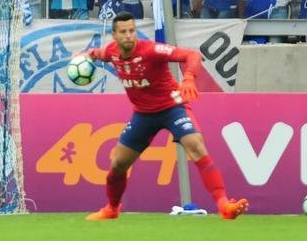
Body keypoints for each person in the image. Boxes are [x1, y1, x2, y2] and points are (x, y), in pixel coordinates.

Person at [84, 12, 248, 221]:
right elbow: (98, 54)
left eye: (132, 30)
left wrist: (188, 78)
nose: (128, 35)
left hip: (172, 108)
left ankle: (224, 205)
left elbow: (192, 55)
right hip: (143, 114)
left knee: (196, 145)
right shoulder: (111, 52)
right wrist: (87, 55)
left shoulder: (151, 50)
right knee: (118, 164)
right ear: (114, 36)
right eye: (123, 32)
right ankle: (112, 209)